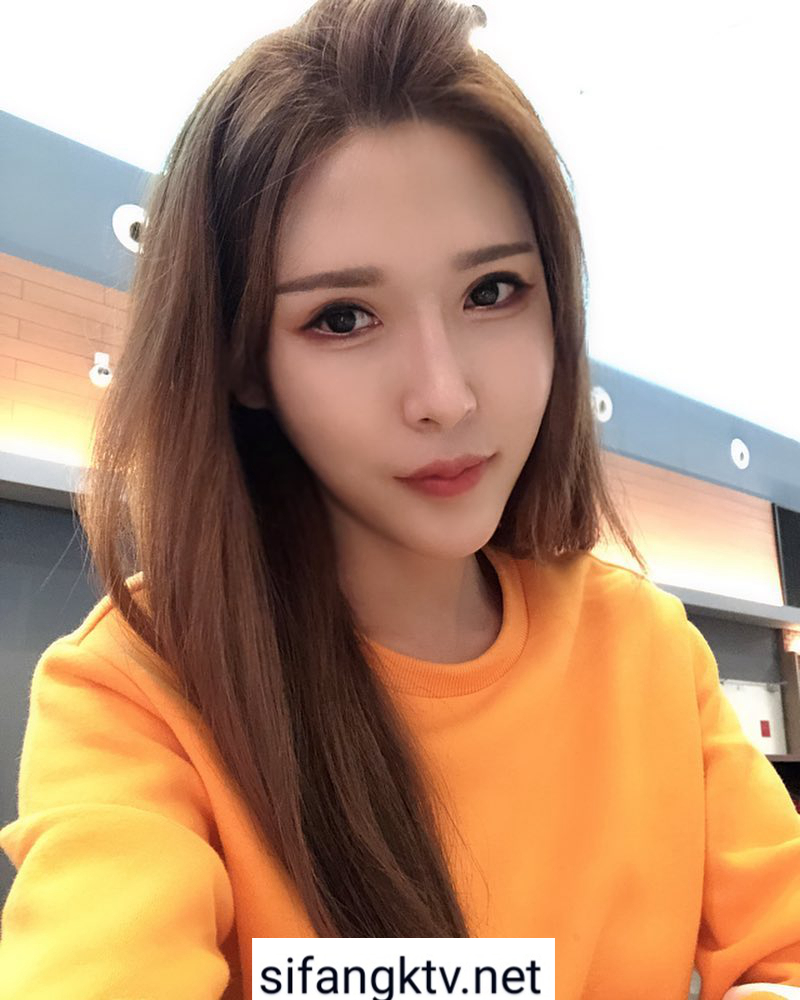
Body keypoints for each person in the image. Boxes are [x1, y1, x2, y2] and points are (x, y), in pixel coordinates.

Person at [1, 0, 799, 997]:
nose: (444, 395)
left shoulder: (644, 650)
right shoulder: (140, 694)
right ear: (243, 360)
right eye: (343, 317)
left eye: (491, 292)